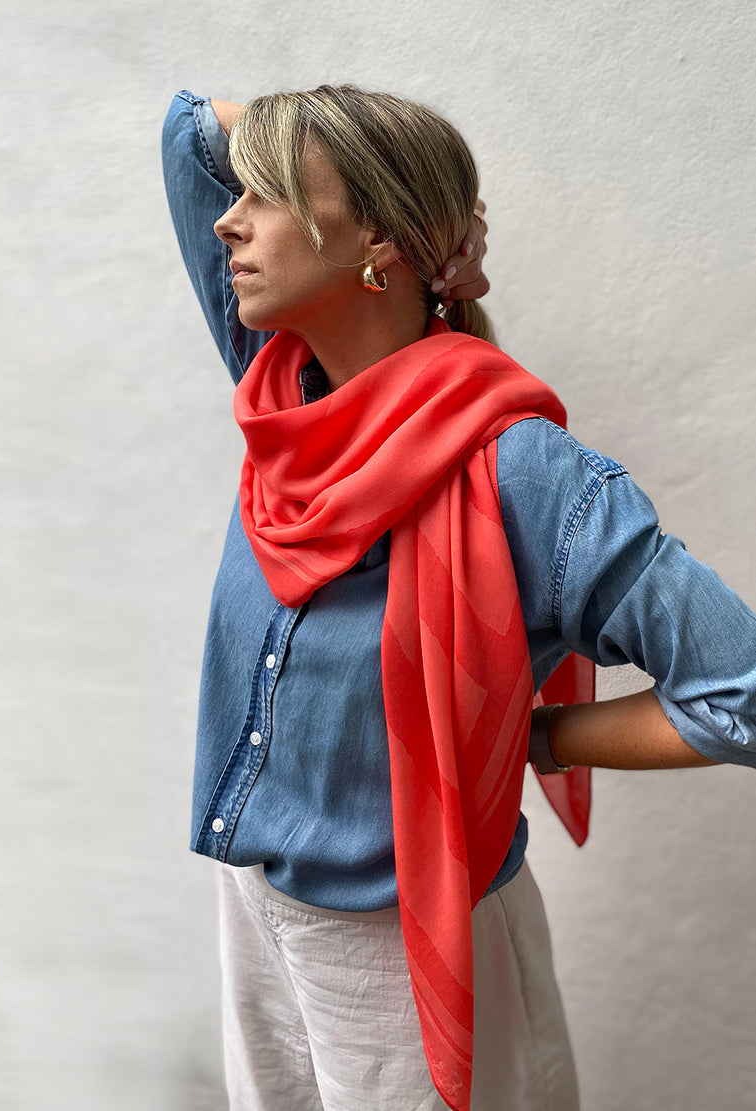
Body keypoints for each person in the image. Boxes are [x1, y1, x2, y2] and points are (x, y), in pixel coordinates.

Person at [160, 84, 756, 1111]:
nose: (228, 220)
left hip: (400, 942)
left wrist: (542, 737)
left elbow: (738, 688)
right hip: (252, 908)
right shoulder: (282, 391)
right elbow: (186, 135)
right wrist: (351, 157)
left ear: (377, 244)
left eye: (268, 193)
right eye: (242, 190)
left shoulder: (522, 471)